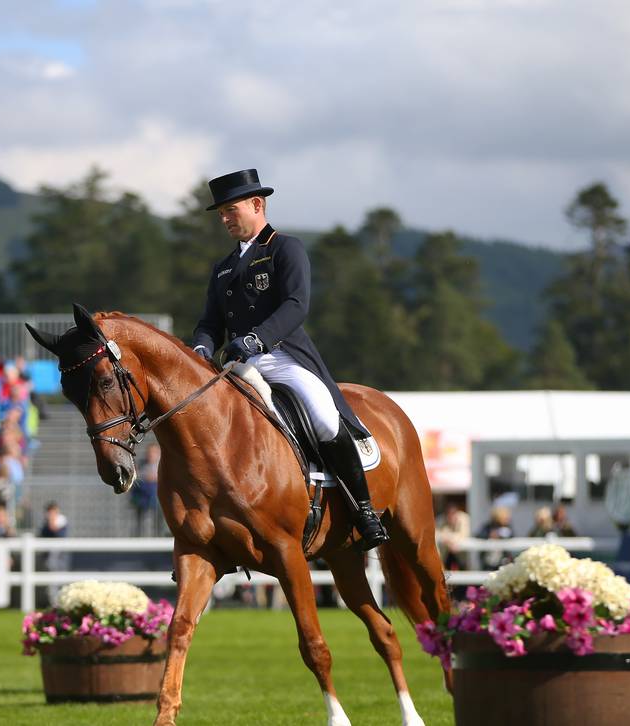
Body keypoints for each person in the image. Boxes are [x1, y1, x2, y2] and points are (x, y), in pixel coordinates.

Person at [191, 169, 387, 550]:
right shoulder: (223, 268)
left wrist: (254, 338)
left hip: (283, 357)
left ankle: (363, 509)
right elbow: (209, 323)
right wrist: (199, 350)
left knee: (324, 417)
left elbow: (297, 305)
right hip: (238, 365)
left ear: (257, 204)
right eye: (221, 214)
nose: (226, 219)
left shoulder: (285, 248)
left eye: (231, 210)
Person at [435, 500, 471, 570]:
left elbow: (464, 534)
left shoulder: (464, 518)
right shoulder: (440, 520)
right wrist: (449, 540)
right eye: (449, 514)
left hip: (461, 554)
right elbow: (436, 534)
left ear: (457, 513)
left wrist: (448, 538)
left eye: (453, 513)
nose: (451, 516)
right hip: (445, 554)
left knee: (463, 571)